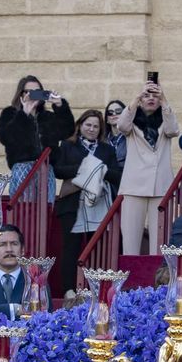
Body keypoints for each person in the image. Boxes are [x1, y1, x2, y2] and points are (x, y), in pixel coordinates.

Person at [54, 110, 122, 293]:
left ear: (100, 129)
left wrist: (99, 170)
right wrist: (84, 169)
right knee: (71, 248)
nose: (91, 129)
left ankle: (96, 289)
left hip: (98, 205)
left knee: (97, 248)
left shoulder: (107, 149)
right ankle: (69, 290)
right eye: (88, 125)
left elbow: (117, 175)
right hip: (71, 204)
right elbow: (58, 170)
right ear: (80, 125)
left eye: (95, 126)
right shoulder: (68, 146)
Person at [115, 79, 180, 256]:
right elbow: (121, 126)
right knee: (130, 242)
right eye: (147, 95)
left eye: (155, 96)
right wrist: (136, 97)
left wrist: (164, 100)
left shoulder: (165, 118)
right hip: (134, 187)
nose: (151, 98)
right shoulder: (132, 121)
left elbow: (173, 130)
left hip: (160, 187)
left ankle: (158, 280)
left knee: (160, 243)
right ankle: (129, 281)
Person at [0, 76, 71, 197]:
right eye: (29, 92)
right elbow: (5, 137)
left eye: (37, 91)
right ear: (21, 94)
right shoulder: (10, 113)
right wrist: (24, 114)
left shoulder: (48, 116)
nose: (33, 95)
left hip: (46, 169)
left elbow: (67, 132)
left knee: (45, 210)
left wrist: (60, 106)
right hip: (22, 168)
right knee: (24, 210)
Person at [104, 99, 128, 164]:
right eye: (110, 112)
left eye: (118, 111)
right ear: (107, 119)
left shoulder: (132, 136)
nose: (114, 114)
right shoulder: (102, 139)